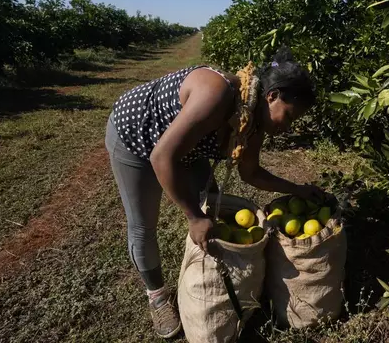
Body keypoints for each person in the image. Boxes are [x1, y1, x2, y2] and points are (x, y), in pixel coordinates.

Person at [104, 48, 327, 338]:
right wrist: (193, 216)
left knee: (211, 205)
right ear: (272, 96)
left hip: (184, 147)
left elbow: (251, 173)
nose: (288, 127)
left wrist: (298, 189)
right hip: (136, 134)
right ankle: (157, 296)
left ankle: (208, 279)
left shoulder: (252, 121)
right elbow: (162, 157)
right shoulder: (216, 95)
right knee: (143, 224)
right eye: (289, 116)